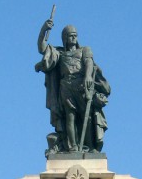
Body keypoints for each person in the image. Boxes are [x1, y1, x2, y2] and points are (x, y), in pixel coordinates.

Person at [35, 17, 110, 154]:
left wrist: (87, 76)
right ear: (65, 38)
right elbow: (42, 48)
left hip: (81, 85)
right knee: (70, 116)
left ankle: (87, 146)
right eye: (70, 36)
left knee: (86, 116)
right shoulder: (59, 53)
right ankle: (72, 147)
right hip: (66, 86)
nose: (73, 38)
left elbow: (89, 63)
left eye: (75, 35)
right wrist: (44, 29)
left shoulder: (85, 50)